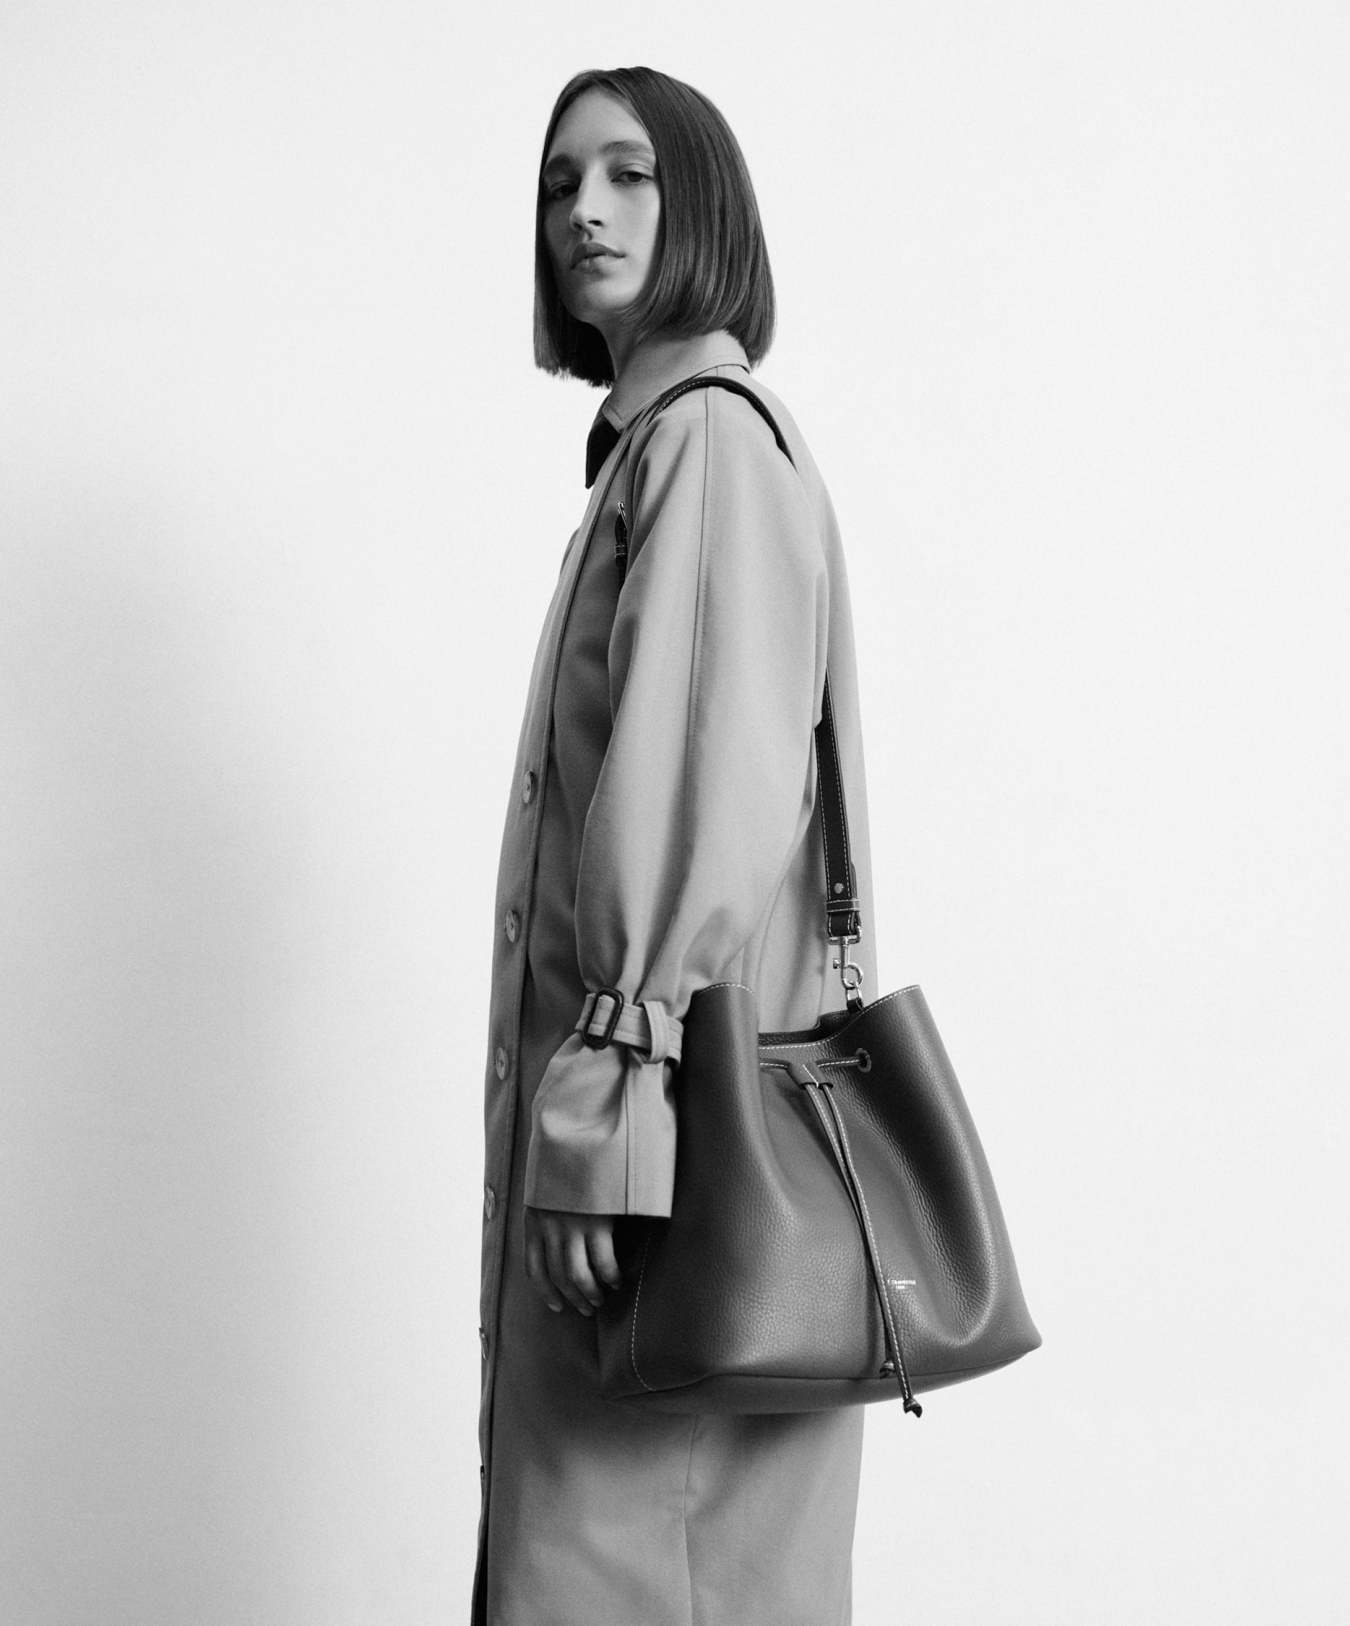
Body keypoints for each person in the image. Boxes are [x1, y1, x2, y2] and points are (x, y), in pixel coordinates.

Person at [471, 65, 877, 1626]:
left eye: (627, 174)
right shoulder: (654, 454)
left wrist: (602, 1116)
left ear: (700, 201)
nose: (582, 209)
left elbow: (700, 803)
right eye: (558, 183)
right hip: (663, 1165)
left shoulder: (705, 441)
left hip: (665, 1178)